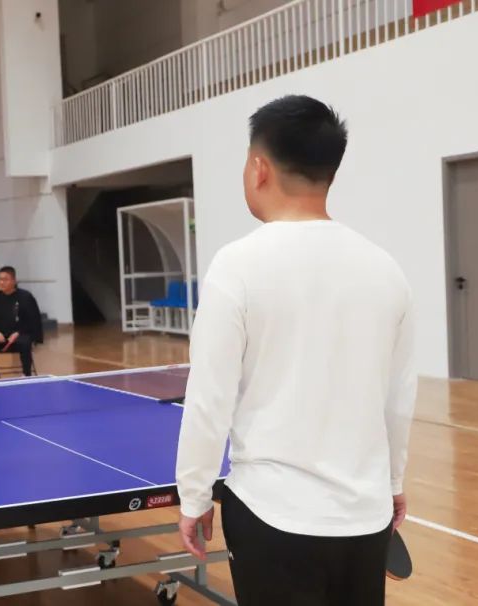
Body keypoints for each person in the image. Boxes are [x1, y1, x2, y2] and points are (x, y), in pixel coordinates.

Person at [174, 95, 416, 605]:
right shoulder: (386, 269)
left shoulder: (236, 266)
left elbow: (209, 398)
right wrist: (393, 480)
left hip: (271, 515)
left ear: (259, 168)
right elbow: (398, 398)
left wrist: (194, 495)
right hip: (366, 517)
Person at [0, 266, 43, 378]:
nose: (2, 282)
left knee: (25, 342)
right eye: (0, 279)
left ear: (14, 281)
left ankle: (26, 374)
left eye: (5, 279)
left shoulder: (26, 297)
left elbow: (33, 320)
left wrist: (18, 333)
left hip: (19, 337)